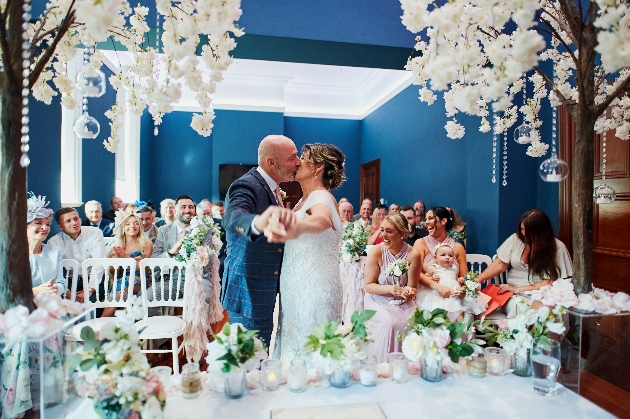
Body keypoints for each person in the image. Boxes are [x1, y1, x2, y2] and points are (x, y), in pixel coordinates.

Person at [262, 143, 346, 368]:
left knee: (311, 352)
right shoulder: (304, 199)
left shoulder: (321, 198)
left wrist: (296, 228)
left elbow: (322, 220)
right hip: (296, 286)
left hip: (313, 287)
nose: (297, 161)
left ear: (318, 167)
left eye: (303, 157)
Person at [221, 135, 300, 346]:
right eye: (292, 158)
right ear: (271, 162)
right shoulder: (246, 185)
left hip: (263, 286)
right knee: (248, 356)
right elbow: (232, 217)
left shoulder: (273, 187)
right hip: (248, 289)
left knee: (260, 350)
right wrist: (258, 222)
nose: (298, 162)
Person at [478, 209, 573, 316]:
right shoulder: (516, 239)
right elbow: (500, 264)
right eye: (523, 229)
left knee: (545, 310)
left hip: (542, 292)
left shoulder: (558, 247)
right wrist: (479, 278)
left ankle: (535, 332)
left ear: (541, 231)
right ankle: (515, 331)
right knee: (519, 306)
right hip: (512, 293)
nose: (524, 234)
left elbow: (550, 282)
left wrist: (518, 289)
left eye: (530, 231)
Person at [364, 213, 421, 362]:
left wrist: (409, 292)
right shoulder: (376, 252)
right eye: (382, 230)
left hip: (403, 300)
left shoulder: (413, 254)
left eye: (389, 231)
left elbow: (413, 287)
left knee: (413, 322)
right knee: (390, 322)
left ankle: (409, 365)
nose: (383, 235)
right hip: (377, 298)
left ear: (402, 234)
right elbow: (368, 286)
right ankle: (382, 364)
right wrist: (390, 289)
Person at [152, 195, 214, 305]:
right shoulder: (163, 231)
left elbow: (207, 264)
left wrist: (195, 253)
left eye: (190, 207)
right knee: (150, 297)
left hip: (198, 279)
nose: (187, 210)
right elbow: (155, 263)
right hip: (170, 279)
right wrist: (172, 251)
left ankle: (198, 323)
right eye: (183, 207)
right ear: (175, 211)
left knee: (203, 298)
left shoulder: (204, 231)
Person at [48, 207, 106, 303]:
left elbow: (98, 263)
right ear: (60, 226)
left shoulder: (95, 233)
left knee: (90, 304)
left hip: (93, 279)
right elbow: (55, 271)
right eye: (68, 221)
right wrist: (65, 290)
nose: (74, 223)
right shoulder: (54, 242)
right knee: (66, 305)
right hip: (68, 281)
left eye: (75, 219)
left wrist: (90, 288)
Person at [103, 211, 154, 317]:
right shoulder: (117, 245)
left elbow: (144, 268)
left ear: (140, 226)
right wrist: (116, 260)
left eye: (136, 223)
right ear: (123, 227)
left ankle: (105, 317)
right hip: (122, 280)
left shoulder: (147, 243)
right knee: (122, 283)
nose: (132, 226)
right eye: (128, 224)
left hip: (142, 280)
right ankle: (126, 318)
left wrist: (125, 257)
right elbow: (113, 273)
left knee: (126, 281)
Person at [413, 206, 468, 303]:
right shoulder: (420, 243)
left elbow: (464, 278)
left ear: (443, 221)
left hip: (454, 294)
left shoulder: (458, 247)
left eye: (431, 218)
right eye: (426, 219)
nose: (426, 222)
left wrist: (463, 290)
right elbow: (416, 273)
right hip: (429, 293)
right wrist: (438, 287)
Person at [420, 243, 483, 321]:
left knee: (459, 307)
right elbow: (426, 278)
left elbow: (455, 279)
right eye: (443, 255)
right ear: (435, 258)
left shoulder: (454, 268)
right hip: (440, 293)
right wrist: (432, 278)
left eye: (450, 256)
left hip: (454, 291)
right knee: (440, 308)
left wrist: (460, 280)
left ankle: (462, 326)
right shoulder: (433, 268)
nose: (447, 257)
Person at [27, 194, 66, 298]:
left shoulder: (55, 251)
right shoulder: (11, 255)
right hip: (21, 307)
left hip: (50, 305)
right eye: (38, 223)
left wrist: (56, 288)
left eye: (48, 224)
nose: (44, 227)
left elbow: (62, 283)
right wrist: (35, 291)